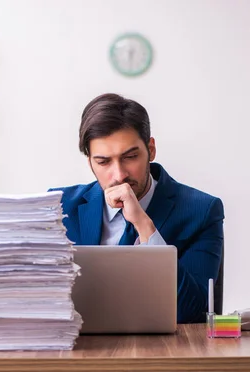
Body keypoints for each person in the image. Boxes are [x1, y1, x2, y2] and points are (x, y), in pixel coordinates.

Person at [49, 93, 224, 323]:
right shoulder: (58, 207)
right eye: (103, 162)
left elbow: (194, 313)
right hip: (83, 350)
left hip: (165, 353)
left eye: (130, 157)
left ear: (150, 149)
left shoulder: (201, 211)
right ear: (90, 161)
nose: (119, 175)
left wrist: (144, 226)